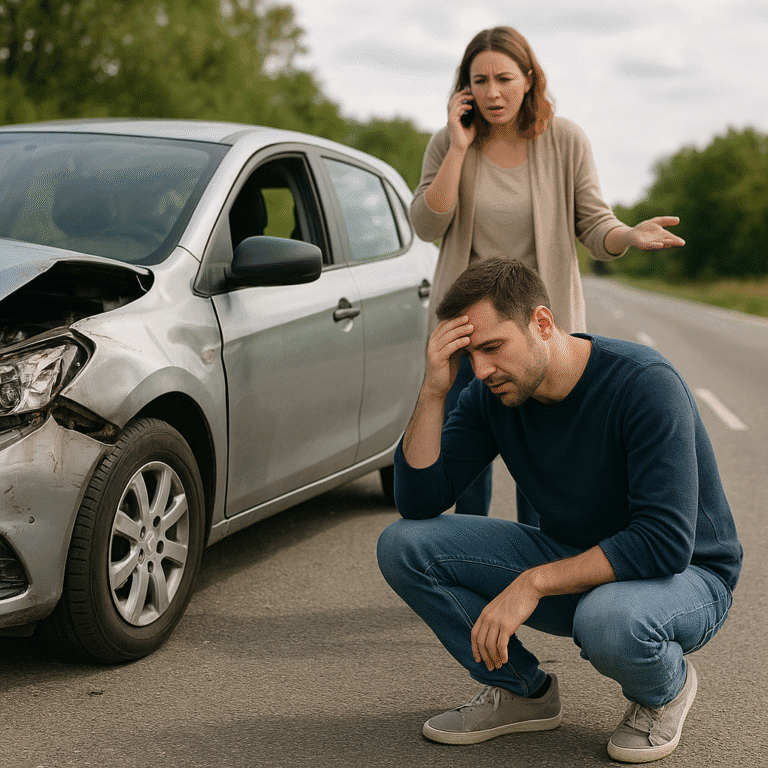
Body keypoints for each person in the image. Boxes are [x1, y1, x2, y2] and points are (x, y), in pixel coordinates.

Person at [377, 259, 742, 763]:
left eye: (491, 347)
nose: (480, 370)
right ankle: (521, 691)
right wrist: (435, 388)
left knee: (608, 619)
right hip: (577, 558)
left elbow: (664, 542)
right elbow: (418, 502)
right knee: (404, 545)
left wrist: (533, 582)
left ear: (542, 323)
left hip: (686, 576)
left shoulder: (643, 384)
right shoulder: (491, 394)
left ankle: (665, 690)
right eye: (469, 354)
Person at [411, 26, 685, 517]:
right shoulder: (448, 143)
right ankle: (468, 560)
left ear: (530, 78)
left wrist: (629, 235)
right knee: (464, 459)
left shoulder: (564, 140)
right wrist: (457, 147)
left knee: (539, 458)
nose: (492, 93)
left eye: (504, 78)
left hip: (536, 328)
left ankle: (537, 566)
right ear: (463, 87)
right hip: (468, 326)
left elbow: (596, 224)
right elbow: (428, 222)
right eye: (479, 80)